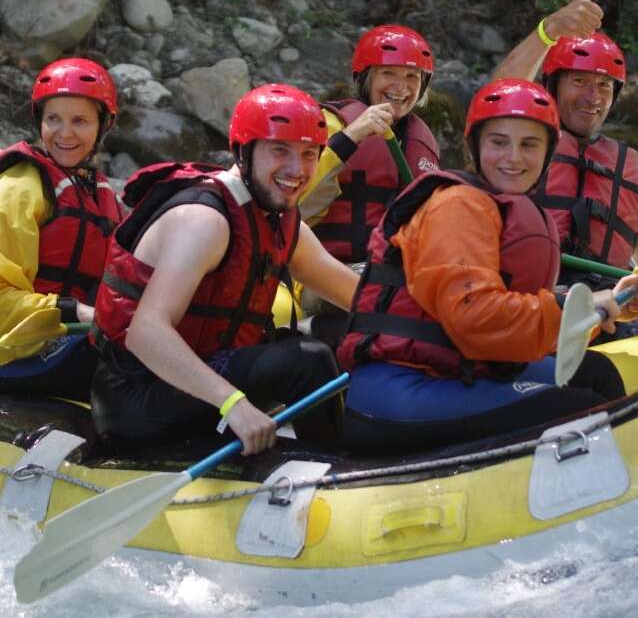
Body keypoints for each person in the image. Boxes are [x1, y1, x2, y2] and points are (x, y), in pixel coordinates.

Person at [336, 79, 638, 454]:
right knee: (577, 411)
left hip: (459, 369)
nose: (513, 157)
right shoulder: (458, 206)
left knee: (595, 374)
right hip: (402, 387)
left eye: (529, 144)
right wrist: (571, 310)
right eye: (499, 142)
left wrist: (612, 304)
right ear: (475, 147)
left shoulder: (499, 207)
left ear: (548, 154)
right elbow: (474, 316)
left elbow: (518, 319)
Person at [89, 84, 360, 453]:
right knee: (307, 360)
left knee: (331, 339)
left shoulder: (278, 217)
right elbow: (145, 333)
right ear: (243, 151)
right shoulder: (205, 219)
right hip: (136, 394)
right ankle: (334, 468)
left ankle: (335, 451)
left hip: (198, 376)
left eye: (309, 154)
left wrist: (431, 326)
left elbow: (358, 296)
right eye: (280, 150)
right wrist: (232, 403)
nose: (298, 170)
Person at [493, 0, 638, 303]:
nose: (592, 97)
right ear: (553, 84)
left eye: (604, 86)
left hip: (608, 309)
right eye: (580, 81)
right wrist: (551, 30)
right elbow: (498, 94)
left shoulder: (632, 166)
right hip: (525, 301)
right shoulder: (521, 145)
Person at [0, 57, 123, 399]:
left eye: (80, 121)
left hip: (64, 343)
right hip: (15, 351)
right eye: (53, 119)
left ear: (103, 125)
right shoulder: (19, 187)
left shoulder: (100, 194)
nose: (65, 133)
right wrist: (73, 310)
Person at [301, 24, 439, 264]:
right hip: (321, 268)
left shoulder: (421, 142)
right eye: (388, 73)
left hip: (388, 271)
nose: (401, 86)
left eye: (411, 76)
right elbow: (294, 201)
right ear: (366, 78)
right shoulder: (331, 124)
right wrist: (350, 137)